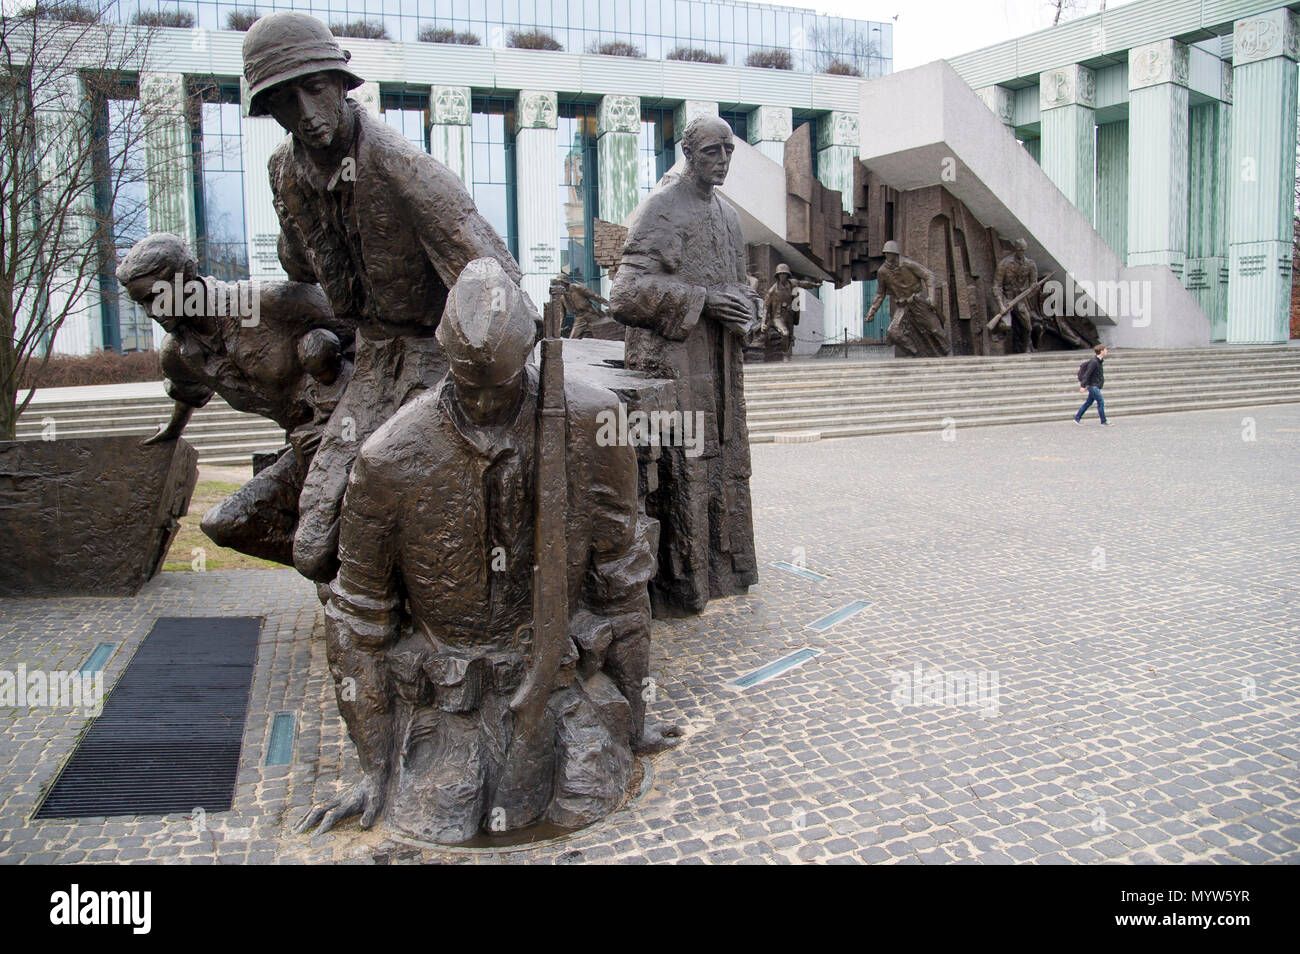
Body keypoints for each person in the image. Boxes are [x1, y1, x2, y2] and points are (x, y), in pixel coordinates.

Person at [296, 259, 666, 842]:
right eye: (472, 388)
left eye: (503, 385)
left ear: (530, 350)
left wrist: (636, 719)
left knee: (585, 790)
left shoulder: (596, 422)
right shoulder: (387, 458)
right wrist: (374, 769)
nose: (488, 405)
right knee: (440, 813)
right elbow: (357, 624)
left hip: (562, 687)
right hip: (445, 704)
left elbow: (622, 582)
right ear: (445, 355)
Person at [243, 11, 525, 583]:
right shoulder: (285, 173)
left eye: (315, 88)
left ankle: (399, 613)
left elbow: (498, 287)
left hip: (439, 361)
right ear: (268, 109)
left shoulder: (403, 168)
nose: (306, 112)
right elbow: (297, 262)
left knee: (410, 502)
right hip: (373, 360)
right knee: (313, 542)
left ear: (341, 84)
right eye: (284, 100)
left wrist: (491, 389)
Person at [115, 232, 353, 566]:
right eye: (141, 303)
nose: (150, 312)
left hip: (353, 428)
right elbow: (187, 392)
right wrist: (172, 430)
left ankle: (347, 569)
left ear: (184, 280)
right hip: (305, 447)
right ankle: (339, 567)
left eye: (155, 297)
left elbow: (369, 334)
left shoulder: (270, 302)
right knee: (227, 523)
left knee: (325, 534)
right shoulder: (178, 354)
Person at [608, 115, 760, 616]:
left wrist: (749, 310)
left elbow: (741, 288)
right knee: (683, 475)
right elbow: (624, 294)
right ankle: (680, 587)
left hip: (721, 370)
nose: (723, 160)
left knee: (724, 468)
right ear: (688, 154)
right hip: (674, 369)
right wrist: (703, 301)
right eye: (712, 151)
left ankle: (724, 572)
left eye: (729, 150)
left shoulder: (729, 217)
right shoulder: (662, 208)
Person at [866, 240, 950, 358]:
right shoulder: (882, 272)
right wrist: (872, 311)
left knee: (935, 329)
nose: (887, 255)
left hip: (918, 300)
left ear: (895, 253)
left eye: (889, 253)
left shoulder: (908, 264)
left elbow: (929, 275)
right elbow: (880, 294)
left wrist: (931, 296)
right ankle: (916, 352)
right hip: (903, 305)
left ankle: (947, 351)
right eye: (886, 253)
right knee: (893, 332)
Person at [764, 263, 820, 360]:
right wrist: (763, 323)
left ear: (787, 275)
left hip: (790, 314)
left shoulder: (792, 284)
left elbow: (803, 284)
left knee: (790, 336)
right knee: (785, 333)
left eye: (784, 274)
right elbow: (766, 307)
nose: (783, 276)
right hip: (778, 317)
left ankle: (787, 354)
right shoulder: (772, 291)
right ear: (778, 276)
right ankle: (784, 354)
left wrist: (814, 285)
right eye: (781, 274)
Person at [992, 239, 1039, 354]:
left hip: (1020, 298)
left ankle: (1026, 347)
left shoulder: (1030, 264)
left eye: (1023, 250)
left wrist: (1033, 288)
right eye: (1019, 250)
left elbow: (1034, 284)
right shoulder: (1004, 264)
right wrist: (1001, 305)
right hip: (1006, 297)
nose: (1021, 252)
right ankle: (998, 333)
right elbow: (997, 286)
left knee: (1027, 325)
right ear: (1015, 249)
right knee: (1005, 325)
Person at [556, 272, 619, 340]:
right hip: (579, 319)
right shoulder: (561, 297)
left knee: (603, 334)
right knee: (572, 339)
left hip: (591, 314)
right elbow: (562, 314)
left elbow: (594, 296)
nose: (559, 285)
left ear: (565, 282)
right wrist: (559, 328)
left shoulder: (576, 288)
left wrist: (609, 304)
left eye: (560, 283)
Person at [1074, 344, 1112, 425]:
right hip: (1093, 386)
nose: (1107, 351)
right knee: (1101, 402)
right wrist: (1083, 386)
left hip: (1095, 385)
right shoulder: (1094, 362)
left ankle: (1077, 418)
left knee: (1088, 403)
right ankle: (1104, 421)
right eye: (1105, 349)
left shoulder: (1099, 361)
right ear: (1101, 351)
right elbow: (1087, 374)